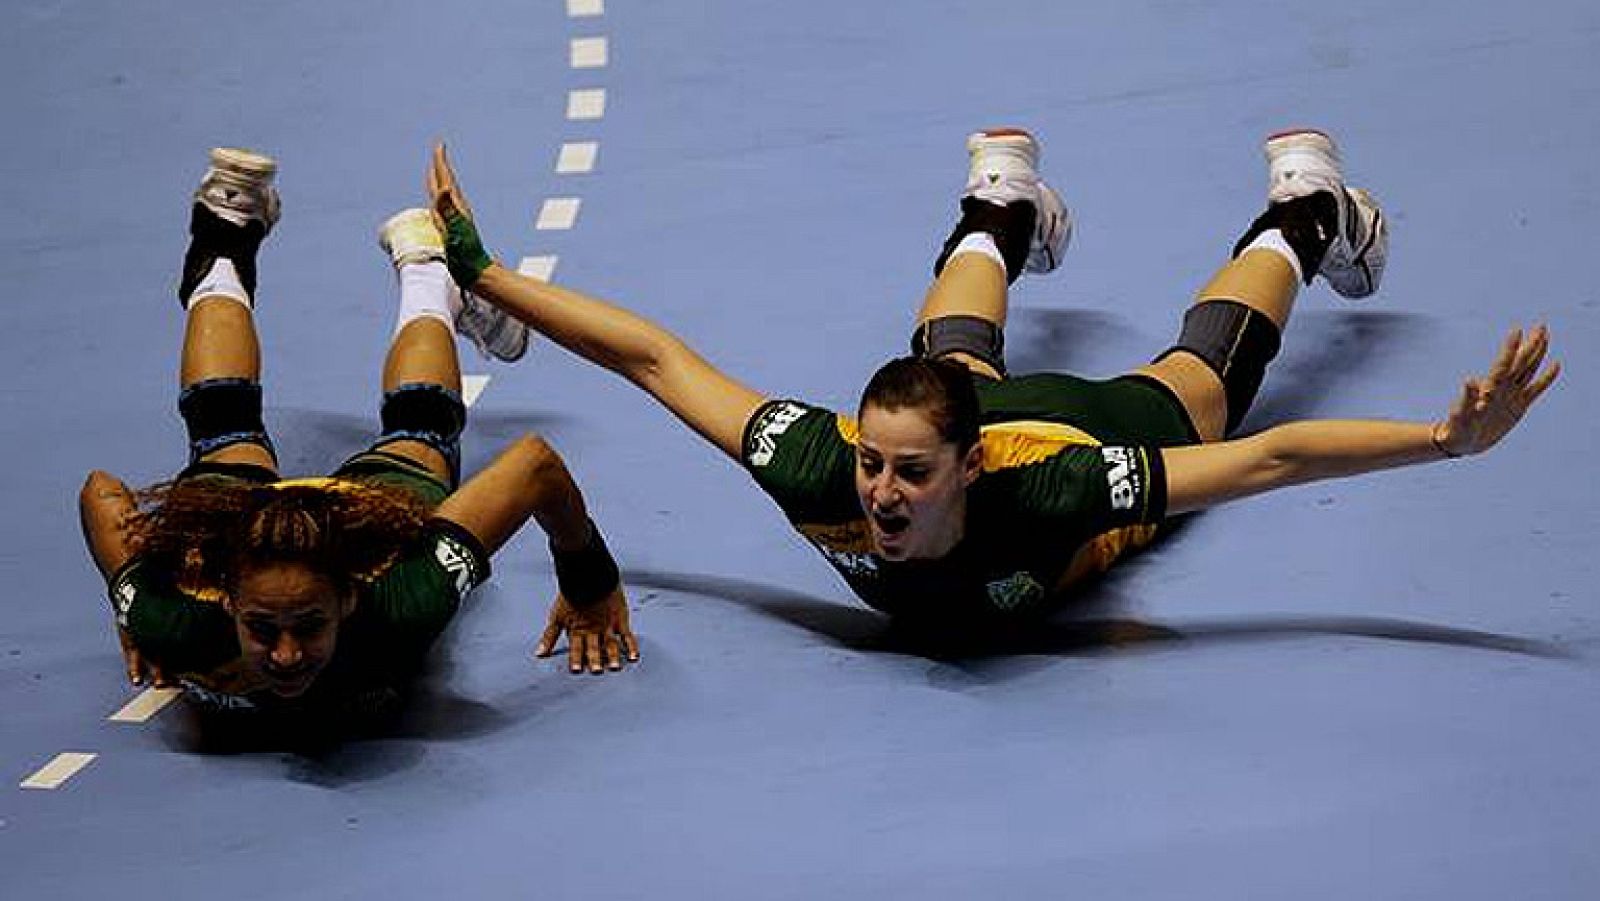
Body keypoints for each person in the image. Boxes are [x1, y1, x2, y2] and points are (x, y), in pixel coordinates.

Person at [423, 129, 1558, 623]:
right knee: (947, 363)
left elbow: (1267, 455)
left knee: (1202, 377)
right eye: (872, 464)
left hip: (1074, 422)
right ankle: (996, 205)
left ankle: (1307, 207)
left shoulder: (1049, 493)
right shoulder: (824, 467)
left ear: (967, 469)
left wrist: (1440, 441)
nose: (878, 493)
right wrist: (484, 270)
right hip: (961, 400)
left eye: (908, 474)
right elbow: (654, 357)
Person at [77, 148, 638, 728]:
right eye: (263, 629)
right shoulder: (176, 617)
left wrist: (588, 583)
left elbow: (536, 466)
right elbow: (531, 466)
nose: (287, 654)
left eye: (310, 626)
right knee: (421, 430)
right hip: (260, 524)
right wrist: (133, 604)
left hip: (355, 522)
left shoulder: (402, 598)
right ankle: (422, 265)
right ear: (226, 599)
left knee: (224, 430)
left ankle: (230, 235)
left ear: (348, 599)